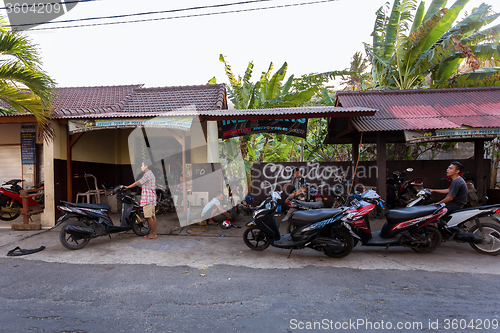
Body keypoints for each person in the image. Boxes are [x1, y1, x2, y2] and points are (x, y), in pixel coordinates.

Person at [123, 159, 157, 239]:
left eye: (142, 165)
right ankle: (154, 232)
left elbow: (138, 182)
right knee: (152, 216)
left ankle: (153, 234)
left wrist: (127, 187)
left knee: (148, 217)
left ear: (146, 166)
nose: (141, 167)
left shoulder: (147, 174)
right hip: (152, 198)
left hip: (148, 199)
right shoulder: (151, 173)